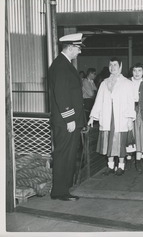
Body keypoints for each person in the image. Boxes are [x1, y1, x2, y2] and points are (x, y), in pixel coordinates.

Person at [48, 33, 85, 201]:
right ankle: (59, 192)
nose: (79, 52)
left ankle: (63, 189)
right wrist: (70, 119)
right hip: (66, 122)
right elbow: (61, 95)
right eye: (78, 48)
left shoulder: (63, 64)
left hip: (68, 121)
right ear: (70, 48)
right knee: (64, 155)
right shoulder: (61, 66)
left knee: (68, 155)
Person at [88, 57, 135, 176]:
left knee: (120, 142)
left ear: (120, 66)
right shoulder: (104, 83)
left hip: (121, 117)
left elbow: (131, 102)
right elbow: (98, 100)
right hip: (107, 116)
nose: (113, 67)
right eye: (111, 65)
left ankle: (121, 166)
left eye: (115, 65)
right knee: (108, 141)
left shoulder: (127, 83)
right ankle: (110, 165)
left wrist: (130, 118)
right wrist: (92, 116)